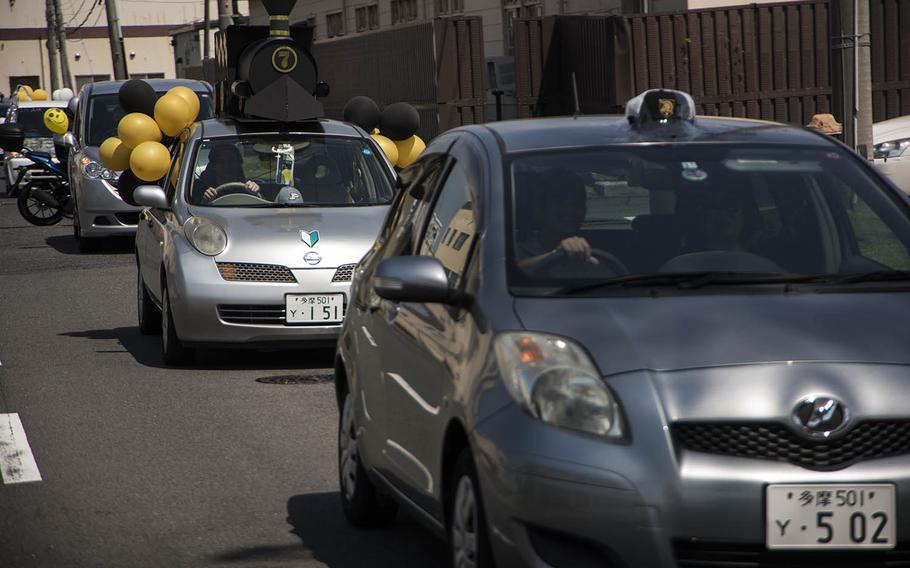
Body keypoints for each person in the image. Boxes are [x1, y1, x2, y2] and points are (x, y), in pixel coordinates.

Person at [515, 169, 618, 277]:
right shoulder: (518, 251)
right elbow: (509, 275)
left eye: (576, 202)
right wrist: (555, 255)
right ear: (541, 208)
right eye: (559, 201)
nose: (568, 210)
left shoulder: (597, 254)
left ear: (584, 210)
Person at [194, 143, 260, 202]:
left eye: (231, 161)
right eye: (221, 162)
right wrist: (206, 199)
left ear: (238, 165)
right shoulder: (200, 190)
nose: (227, 166)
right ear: (214, 166)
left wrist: (254, 192)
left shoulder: (248, 188)